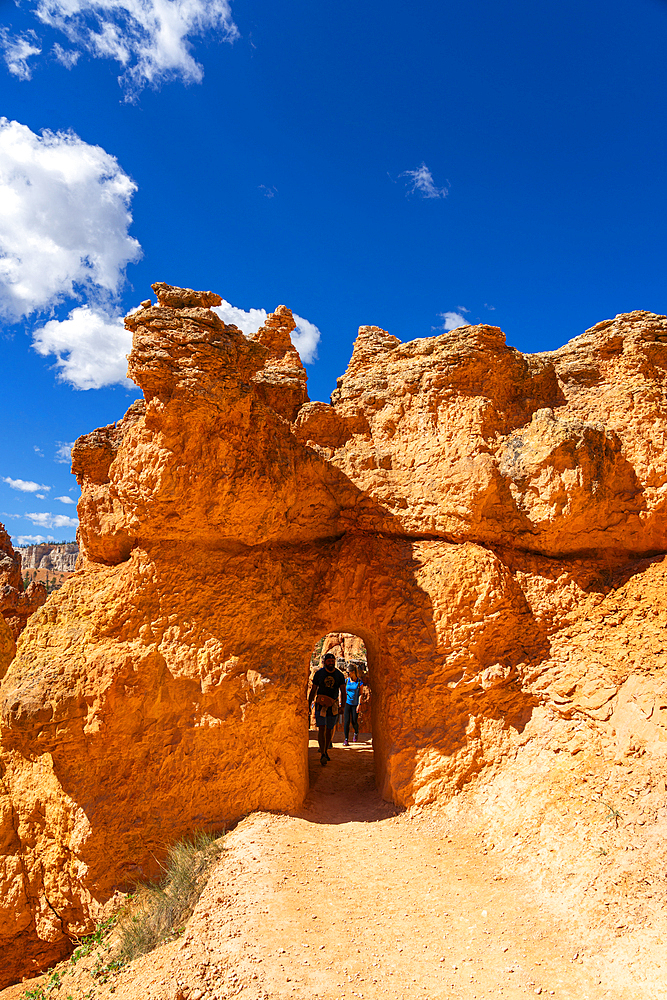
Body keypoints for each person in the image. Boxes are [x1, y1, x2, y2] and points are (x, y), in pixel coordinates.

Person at [308, 652, 346, 766]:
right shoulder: (319, 674)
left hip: (333, 705)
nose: (331, 663)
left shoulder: (339, 675)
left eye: (332, 661)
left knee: (329, 729)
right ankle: (323, 753)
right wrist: (308, 704)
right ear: (324, 662)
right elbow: (314, 689)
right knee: (322, 728)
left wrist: (342, 706)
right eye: (329, 661)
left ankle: (325, 749)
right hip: (321, 704)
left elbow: (343, 692)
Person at [343, 667, 363, 746]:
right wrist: (341, 702)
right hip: (347, 703)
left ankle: (356, 732)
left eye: (348, 672)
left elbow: (360, 694)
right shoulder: (347, 681)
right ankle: (346, 739)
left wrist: (359, 704)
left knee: (354, 721)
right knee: (346, 721)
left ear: (353, 672)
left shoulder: (359, 682)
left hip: (355, 704)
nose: (347, 674)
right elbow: (343, 691)